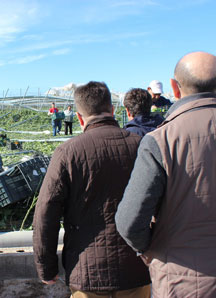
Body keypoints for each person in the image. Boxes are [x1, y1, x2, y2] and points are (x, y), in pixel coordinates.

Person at [33, 81, 150, 297]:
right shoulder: (142, 145)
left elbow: (45, 213)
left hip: (88, 271)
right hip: (137, 267)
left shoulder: (68, 152)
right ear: (113, 110)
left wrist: (46, 267)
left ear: (79, 117)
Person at [116, 51, 216, 298]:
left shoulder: (161, 140)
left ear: (175, 87)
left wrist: (150, 250)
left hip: (184, 280)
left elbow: (129, 222)